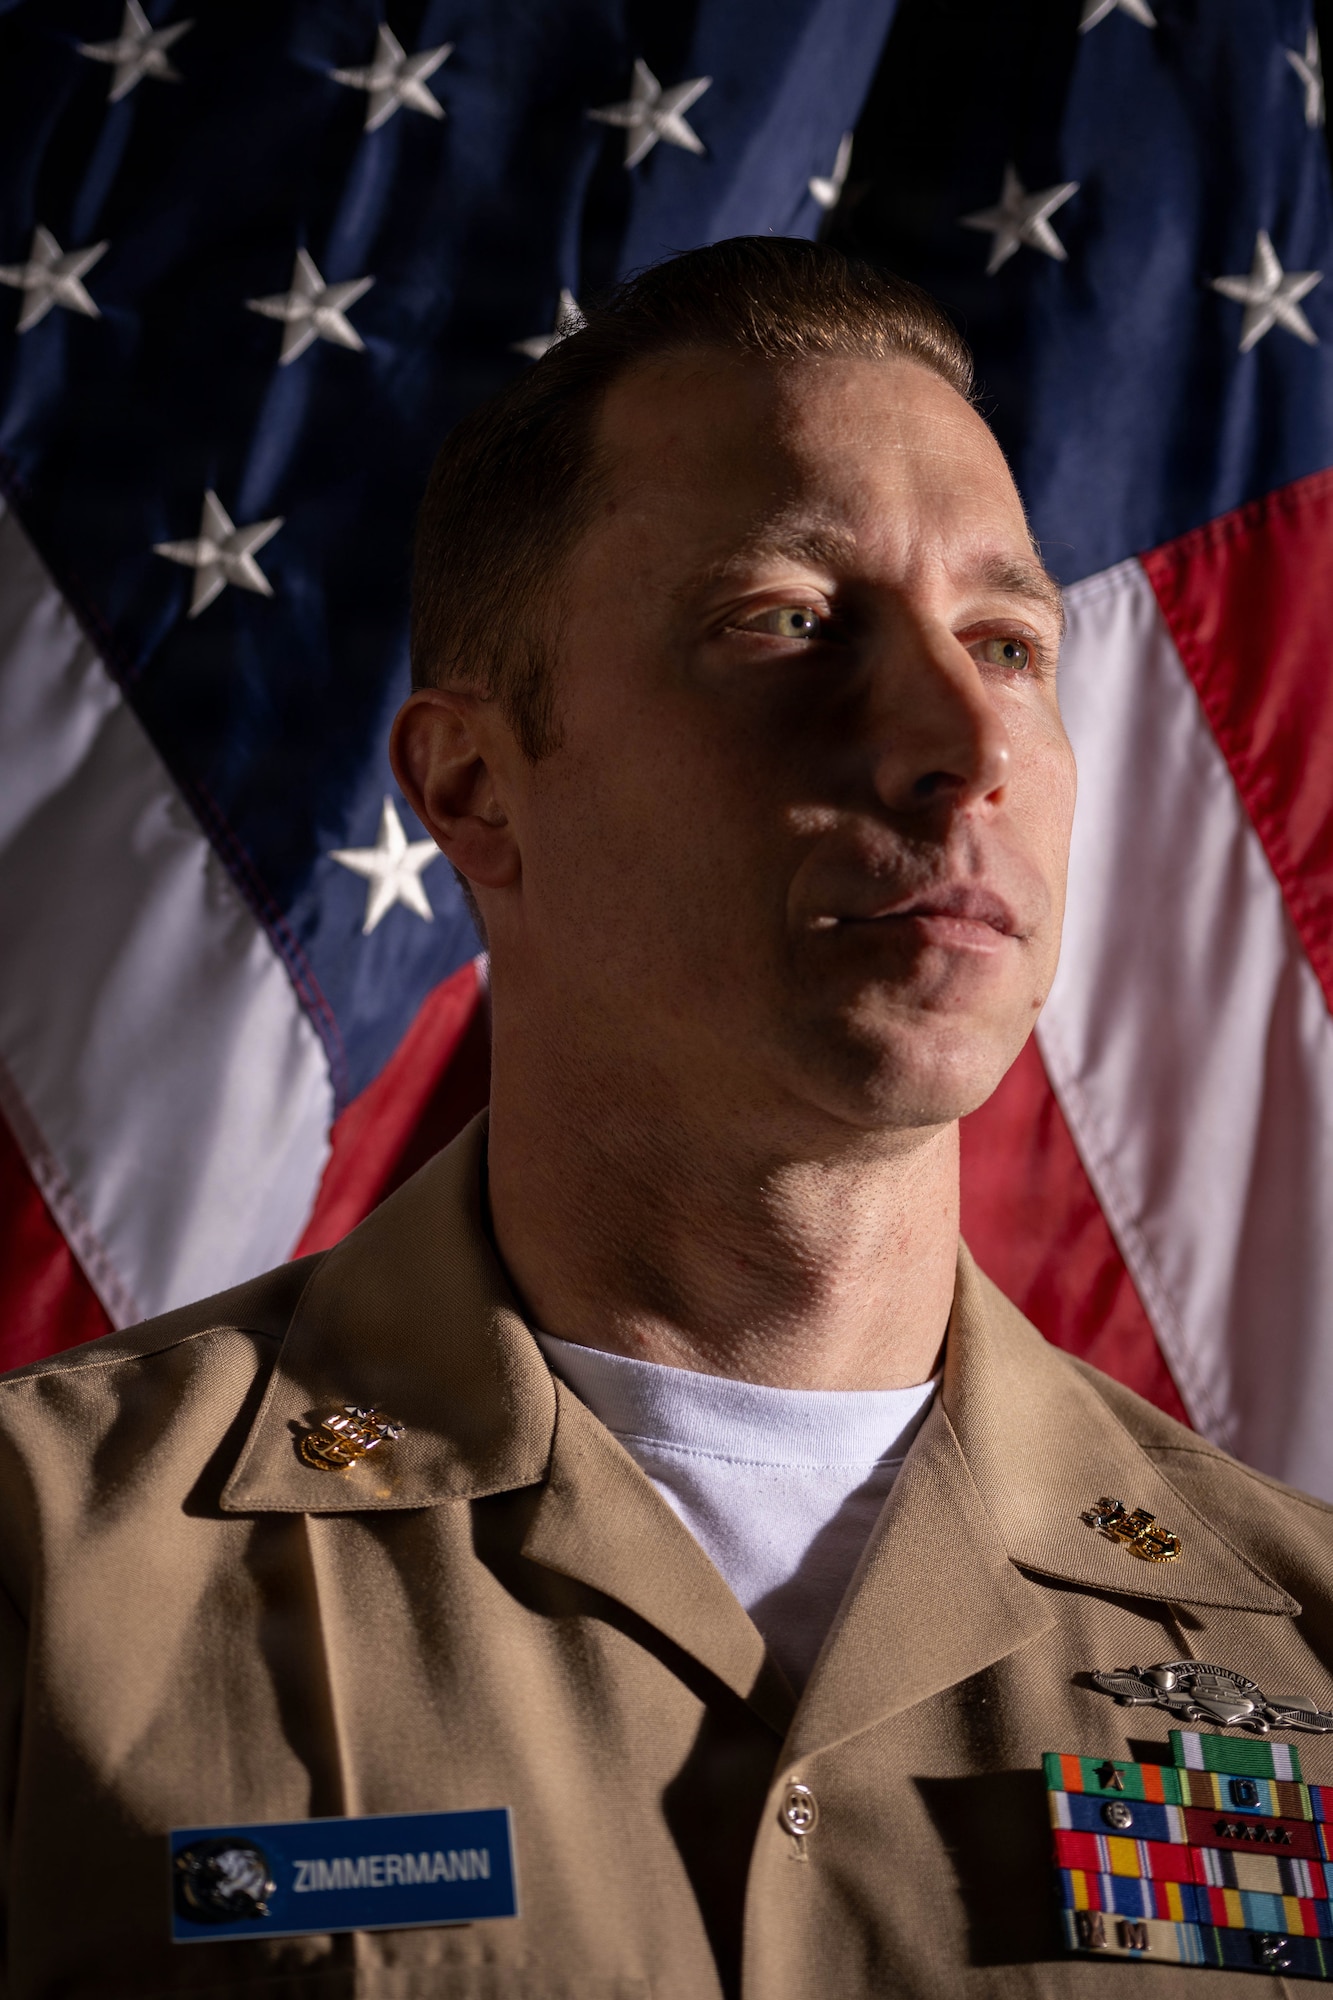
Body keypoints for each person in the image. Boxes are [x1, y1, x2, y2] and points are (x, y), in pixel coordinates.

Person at [1, 237, 1331, 2000]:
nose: (962, 739)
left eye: (1007, 642)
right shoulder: (47, 1573)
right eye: (785, 621)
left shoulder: (1300, 1640)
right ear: (474, 788)